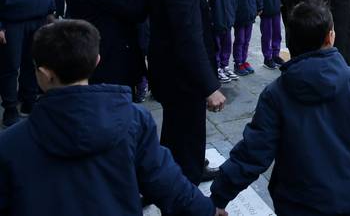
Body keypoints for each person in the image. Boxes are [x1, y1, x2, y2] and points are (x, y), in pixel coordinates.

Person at [0, 20, 216, 216]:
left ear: (44, 74)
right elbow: (168, 183)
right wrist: (208, 210)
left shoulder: (10, 145)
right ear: (97, 61)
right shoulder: (134, 120)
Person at [210, 0, 350, 216]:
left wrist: (219, 197)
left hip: (297, 202)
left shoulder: (276, 93)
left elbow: (253, 152)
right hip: (348, 197)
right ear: (330, 37)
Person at [148, 0, 226, 184]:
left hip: (171, 72)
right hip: (181, 76)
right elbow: (188, 36)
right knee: (186, 130)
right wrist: (209, 86)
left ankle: (182, 169)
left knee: (179, 132)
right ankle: (185, 184)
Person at [0, 0, 55, 127]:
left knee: (34, 64)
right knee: (10, 67)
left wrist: (50, 11)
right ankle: (10, 107)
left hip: (39, 21)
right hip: (12, 25)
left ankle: (29, 101)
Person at [210, 0, 238, 83]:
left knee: (227, 44)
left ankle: (224, 65)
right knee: (217, 45)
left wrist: (231, 15)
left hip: (227, 18)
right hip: (217, 18)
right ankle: (217, 68)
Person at [232, 0, 262, 76]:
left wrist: (256, 7)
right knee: (240, 40)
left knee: (246, 40)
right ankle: (238, 63)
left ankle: (244, 61)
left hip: (250, 13)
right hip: (240, 15)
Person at [254, 0, 284, 69]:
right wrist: (260, 6)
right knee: (267, 34)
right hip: (266, 9)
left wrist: (280, 1)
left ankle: (276, 55)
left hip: (276, 6)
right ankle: (267, 57)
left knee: (277, 33)